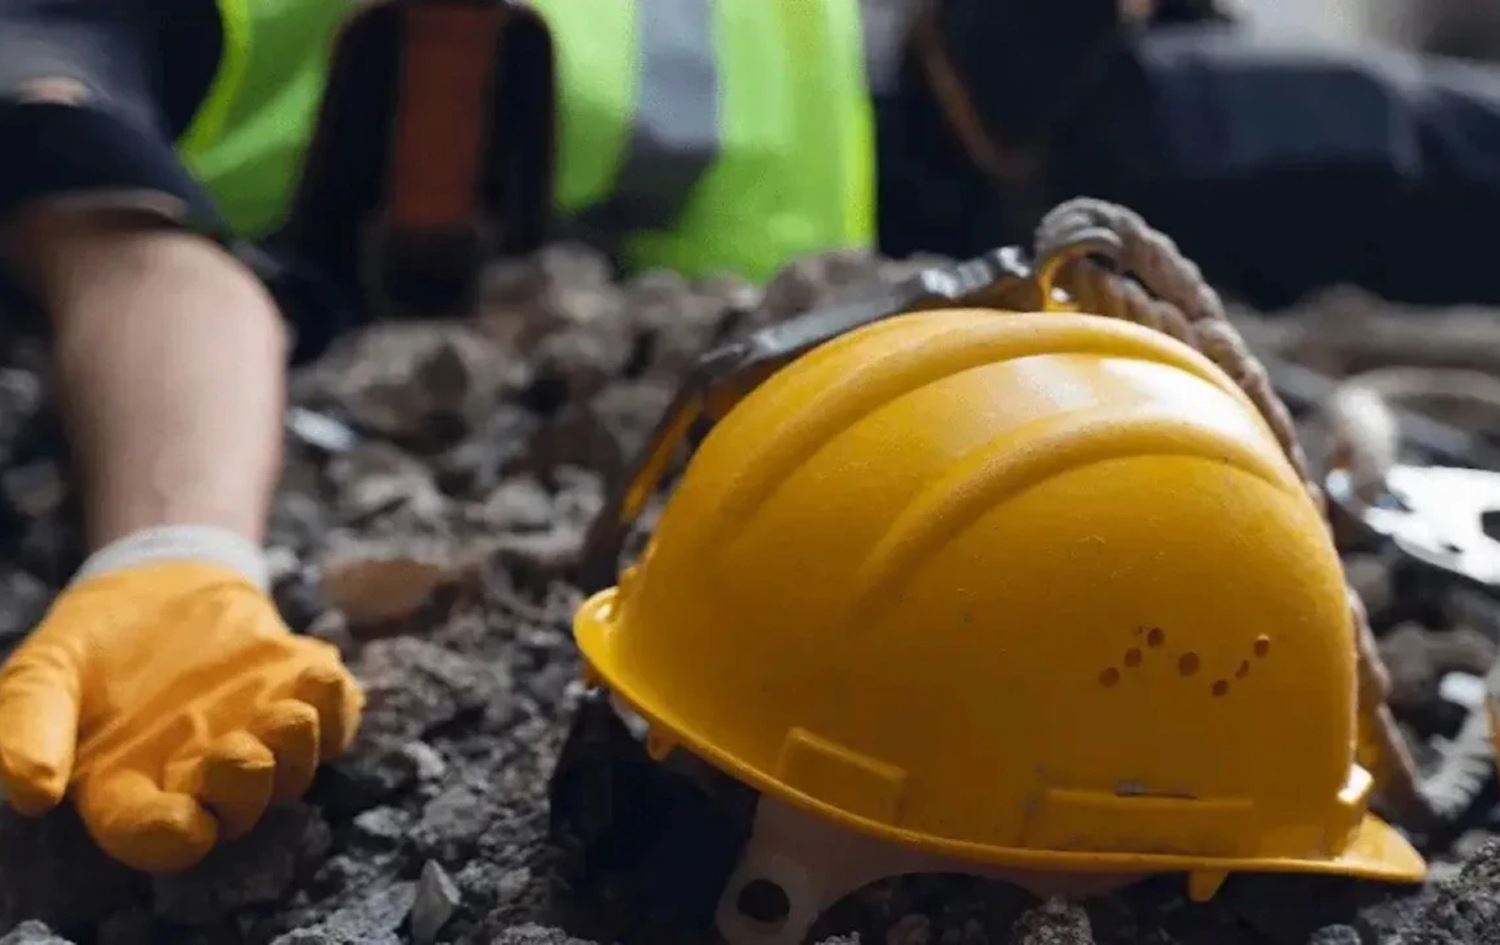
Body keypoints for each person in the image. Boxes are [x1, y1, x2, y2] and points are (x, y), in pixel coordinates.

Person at [2, 0, 1500, 875]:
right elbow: (134, 262)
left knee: (1427, 141)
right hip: (860, 226)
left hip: (944, 120)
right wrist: (174, 540)